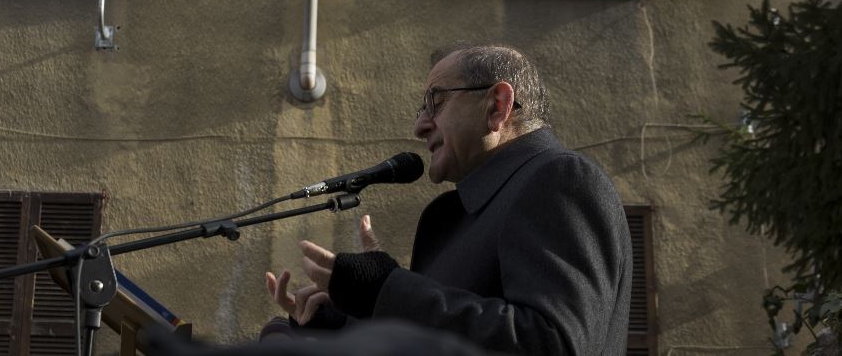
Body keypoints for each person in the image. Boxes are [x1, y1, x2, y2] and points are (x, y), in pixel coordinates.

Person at [266, 45, 632, 354]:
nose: (420, 126)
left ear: (497, 106)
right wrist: (348, 322)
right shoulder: (467, 212)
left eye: (434, 103)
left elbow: (551, 342)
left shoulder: (558, 180)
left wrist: (387, 290)